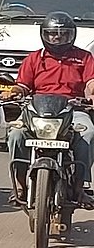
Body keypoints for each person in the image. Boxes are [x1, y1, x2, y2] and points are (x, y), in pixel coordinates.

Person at [7, 12, 94, 207]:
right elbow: (22, 85)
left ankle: (79, 187)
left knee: (88, 134)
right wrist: (13, 92)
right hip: (37, 110)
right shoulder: (34, 58)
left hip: (73, 108)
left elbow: (91, 82)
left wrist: (92, 94)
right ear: (44, 35)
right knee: (15, 134)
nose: (58, 38)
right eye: (53, 34)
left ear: (72, 35)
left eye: (64, 34)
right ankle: (20, 186)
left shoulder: (84, 57)